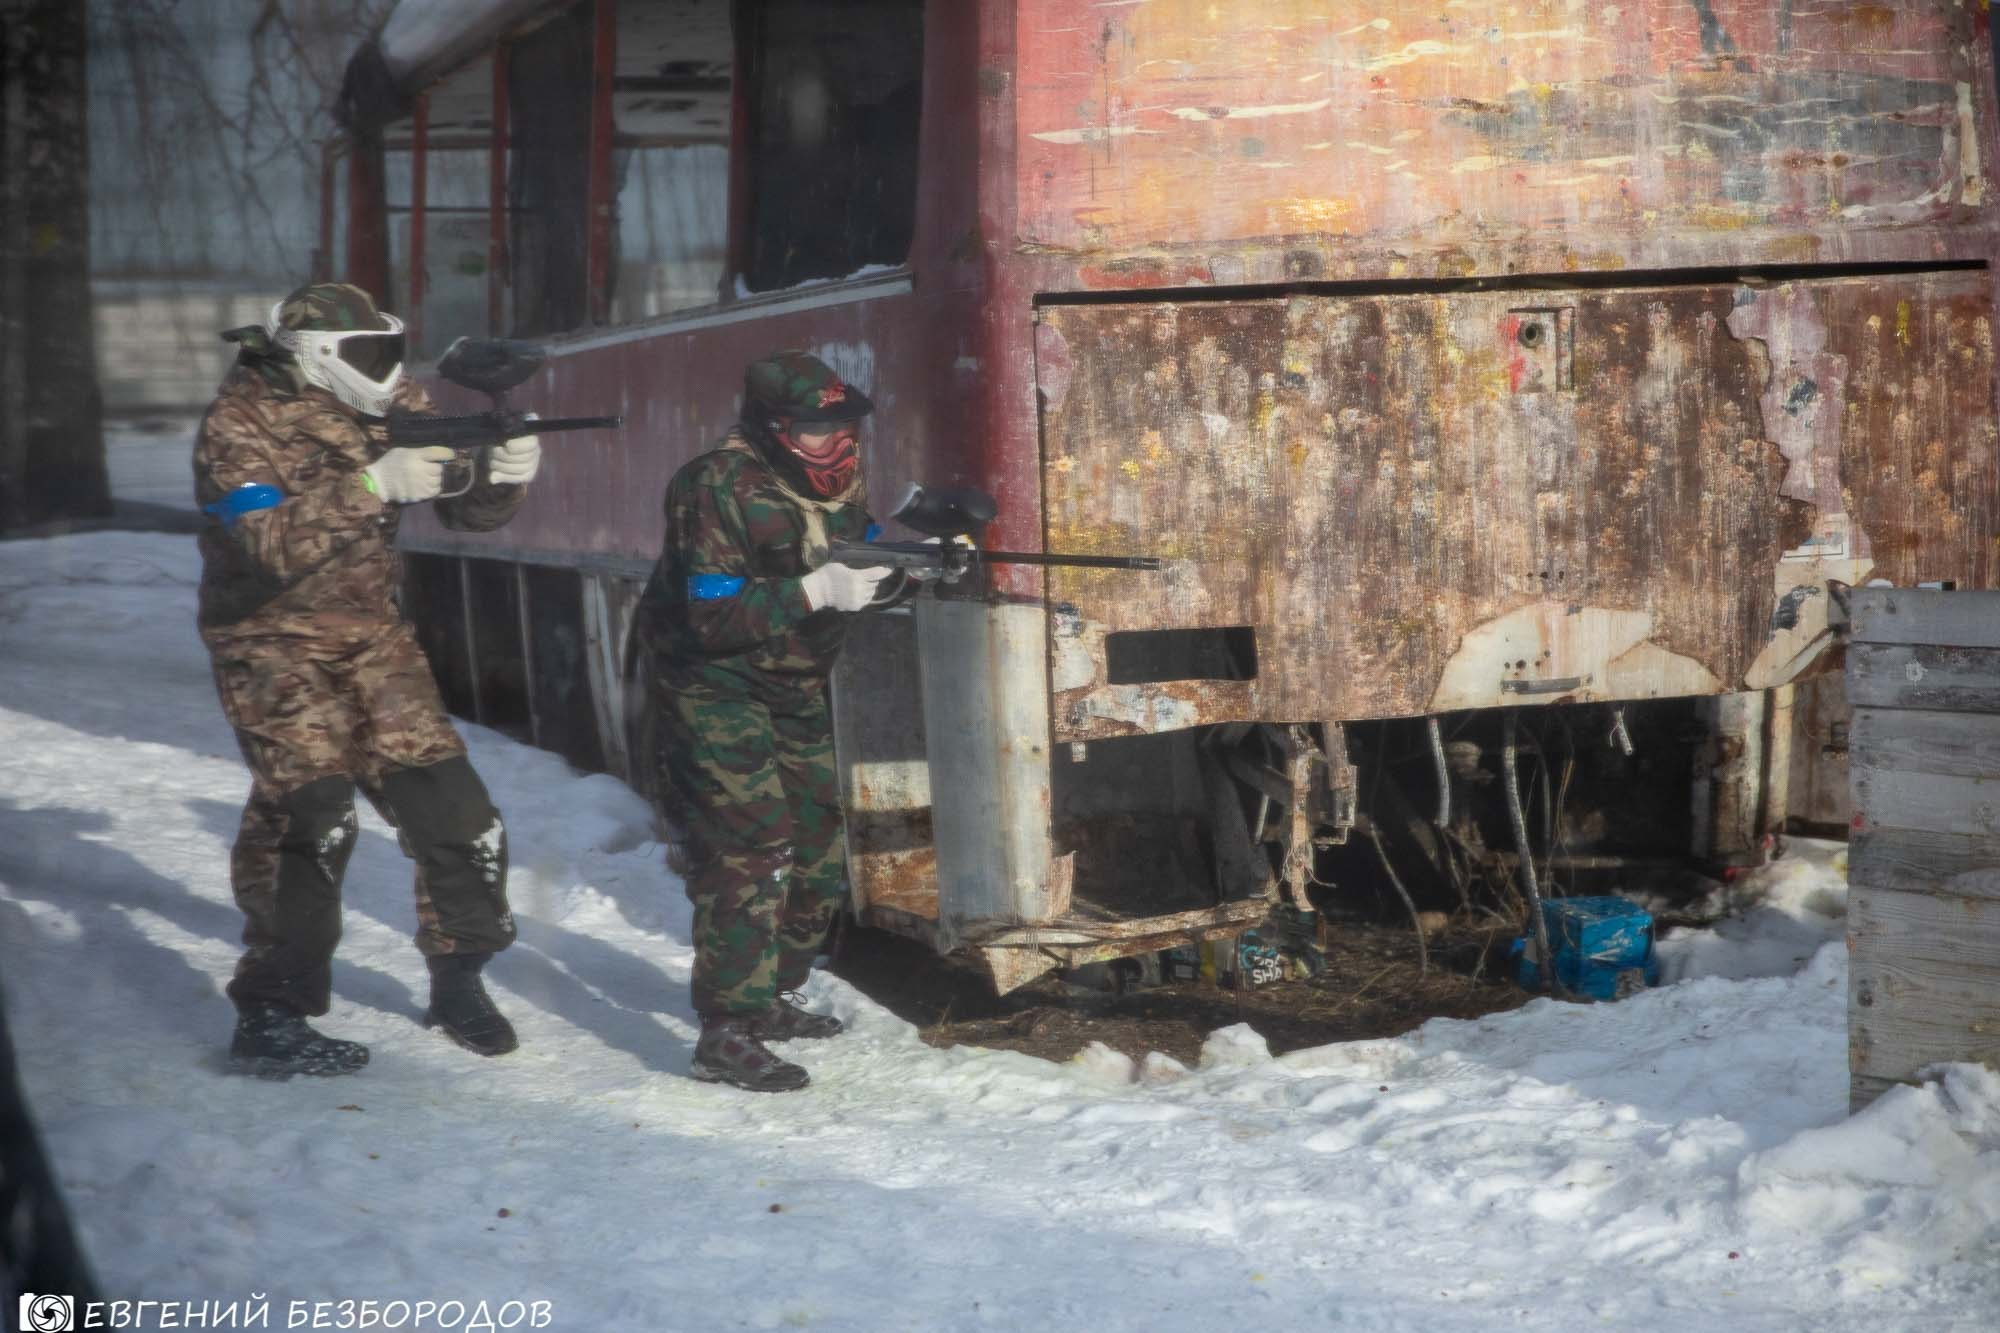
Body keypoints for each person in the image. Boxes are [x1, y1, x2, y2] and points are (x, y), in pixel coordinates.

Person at [193, 282, 541, 1076]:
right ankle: (272, 1009)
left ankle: (460, 978)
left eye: (387, 346)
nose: (385, 369)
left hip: (373, 640)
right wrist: (373, 486)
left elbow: (469, 513)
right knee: (310, 818)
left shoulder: (390, 398)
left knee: (457, 814)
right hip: (270, 640)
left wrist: (502, 472)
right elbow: (264, 543)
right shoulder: (237, 425)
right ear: (311, 355)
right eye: (363, 354)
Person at [635, 351, 892, 1092]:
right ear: (774, 428)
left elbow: (854, 547)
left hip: (791, 684)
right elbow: (711, 616)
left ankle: (772, 994)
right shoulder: (715, 486)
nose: (837, 442)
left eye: (844, 425)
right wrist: (818, 592)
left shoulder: (836, 477)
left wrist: (905, 562)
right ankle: (726, 1028)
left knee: (817, 842)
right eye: (818, 429)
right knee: (752, 849)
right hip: (713, 686)